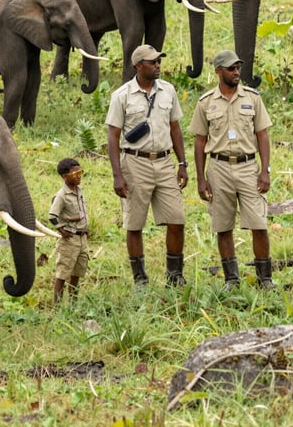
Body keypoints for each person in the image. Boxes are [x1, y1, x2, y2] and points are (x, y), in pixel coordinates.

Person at [190, 50, 275, 290]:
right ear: (218, 71)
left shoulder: (252, 98)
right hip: (218, 167)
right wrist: (201, 179)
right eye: (231, 68)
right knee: (222, 225)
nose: (237, 72)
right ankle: (231, 278)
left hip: (248, 166)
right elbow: (199, 141)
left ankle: (264, 277)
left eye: (238, 67)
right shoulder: (206, 102)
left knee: (259, 223)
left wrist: (265, 170)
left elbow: (263, 135)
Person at [106, 44, 189, 287]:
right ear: (138, 66)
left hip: (164, 162)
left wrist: (182, 163)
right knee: (135, 223)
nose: (158, 66)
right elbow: (113, 136)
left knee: (177, 219)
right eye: (152, 62)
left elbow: (175, 128)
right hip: (135, 162)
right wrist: (117, 175)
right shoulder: (121, 95)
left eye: (159, 61)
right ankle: (140, 279)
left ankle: (175, 275)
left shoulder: (168, 91)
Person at [48, 158, 90, 303]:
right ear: (64, 177)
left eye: (80, 172)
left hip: (81, 238)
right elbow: (52, 216)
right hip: (69, 239)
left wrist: (86, 229)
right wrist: (61, 231)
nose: (79, 176)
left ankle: (73, 303)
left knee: (77, 272)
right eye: (75, 174)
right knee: (63, 273)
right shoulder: (61, 196)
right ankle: (57, 306)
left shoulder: (80, 191)